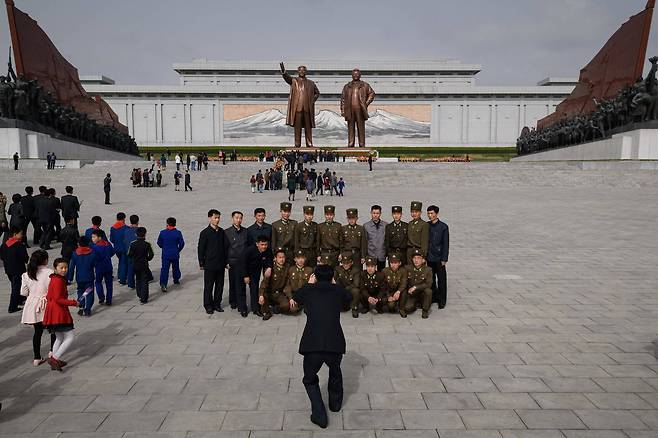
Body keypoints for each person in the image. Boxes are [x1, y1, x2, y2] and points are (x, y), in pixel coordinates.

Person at [291, 265, 352, 428]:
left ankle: (319, 415)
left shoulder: (309, 290)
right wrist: (334, 284)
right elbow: (348, 297)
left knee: (309, 379)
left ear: (315, 277)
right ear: (332, 277)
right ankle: (335, 404)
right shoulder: (337, 290)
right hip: (334, 342)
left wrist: (309, 284)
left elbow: (296, 297)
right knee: (335, 371)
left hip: (313, 344)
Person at [20, 250, 56, 366]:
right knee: (52, 329)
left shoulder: (26, 274)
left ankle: (36, 357)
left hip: (33, 304)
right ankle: (52, 351)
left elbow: (23, 292)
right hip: (47, 303)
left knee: (37, 332)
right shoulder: (50, 272)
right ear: (45, 260)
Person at [42, 258, 78, 371]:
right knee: (70, 337)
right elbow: (58, 299)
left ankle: (53, 358)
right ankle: (55, 358)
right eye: (61, 268)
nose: (64, 270)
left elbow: (50, 296)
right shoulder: (58, 281)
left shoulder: (54, 279)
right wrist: (73, 302)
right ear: (55, 268)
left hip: (53, 312)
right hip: (59, 313)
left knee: (59, 337)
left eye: (66, 267)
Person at [198, 209, 230, 314]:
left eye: (218, 217)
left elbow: (225, 247)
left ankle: (217, 304)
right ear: (209, 218)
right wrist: (201, 262)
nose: (217, 220)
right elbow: (201, 248)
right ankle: (208, 305)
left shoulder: (222, 232)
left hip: (220, 264)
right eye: (215, 218)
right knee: (209, 286)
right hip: (210, 264)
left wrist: (226, 261)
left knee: (219, 286)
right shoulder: (205, 233)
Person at [225, 211, 251, 317]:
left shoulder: (246, 231)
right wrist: (226, 262)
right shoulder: (227, 232)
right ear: (232, 218)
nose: (238, 220)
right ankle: (233, 301)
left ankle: (242, 306)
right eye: (236, 218)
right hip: (233, 262)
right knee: (233, 283)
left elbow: (249, 246)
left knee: (241, 285)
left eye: (240, 218)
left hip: (243, 262)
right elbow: (225, 248)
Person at [258, 248, 295, 320]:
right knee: (263, 294)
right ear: (275, 258)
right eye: (279, 257)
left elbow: (287, 284)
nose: (282, 259)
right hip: (269, 292)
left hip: (279, 293)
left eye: (283, 257)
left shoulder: (287, 267)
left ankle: (276, 308)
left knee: (286, 306)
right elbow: (264, 283)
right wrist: (261, 295)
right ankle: (266, 312)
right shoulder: (270, 268)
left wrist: (290, 298)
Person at [243, 235, 273, 317]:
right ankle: (244, 308)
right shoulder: (249, 251)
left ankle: (256, 308)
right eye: (262, 245)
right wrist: (246, 276)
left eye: (266, 244)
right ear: (257, 244)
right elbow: (244, 263)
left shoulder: (268, 250)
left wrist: (269, 267)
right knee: (243, 289)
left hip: (256, 270)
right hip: (244, 270)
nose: (264, 247)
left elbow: (270, 259)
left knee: (255, 289)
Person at [426, 205, 449, 309]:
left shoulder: (443, 227)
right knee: (431, 279)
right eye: (428, 213)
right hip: (429, 257)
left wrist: (444, 258)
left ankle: (442, 300)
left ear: (436, 214)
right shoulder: (427, 225)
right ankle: (433, 297)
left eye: (432, 213)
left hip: (439, 258)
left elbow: (446, 244)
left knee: (441, 280)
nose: (430, 215)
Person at [1, 227, 29, 313]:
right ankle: (12, 307)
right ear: (15, 234)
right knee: (16, 288)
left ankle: (20, 299)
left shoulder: (4, 245)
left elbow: (2, 257)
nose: (22, 235)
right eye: (20, 233)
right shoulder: (19, 245)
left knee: (17, 286)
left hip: (8, 269)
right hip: (18, 270)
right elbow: (25, 258)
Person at [67, 236, 96, 316]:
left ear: (79, 244)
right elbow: (96, 264)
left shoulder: (75, 254)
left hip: (79, 278)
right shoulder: (92, 253)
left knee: (80, 291)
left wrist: (69, 278)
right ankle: (88, 308)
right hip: (89, 277)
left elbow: (71, 267)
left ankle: (81, 304)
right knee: (89, 292)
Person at [401, 249, 433, 319]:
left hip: (422, 293)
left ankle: (425, 310)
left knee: (428, 291)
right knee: (407, 309)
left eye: (419, 258)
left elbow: (428, 284)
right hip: (412, 294)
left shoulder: (428, 270)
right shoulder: (407, 268)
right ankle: (415, 304)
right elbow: (404, 281)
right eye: (414, 258)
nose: (416, 260)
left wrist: (416, 287)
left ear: (423, 260)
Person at [157, 217, 185, 293]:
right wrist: (178, 249)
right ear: (175, 224)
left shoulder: (162, 232)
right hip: (175, 253)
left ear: (167, 224)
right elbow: (182, 243)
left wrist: (164, 247)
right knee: (175, 267)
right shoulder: (178, 233)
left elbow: (159, 242)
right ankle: (176, 279)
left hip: (166, 254)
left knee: (165, 269)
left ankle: (163, 284)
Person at [127, 227, 154, 304]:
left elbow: (129, 254)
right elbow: (151, 254)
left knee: (138, 279)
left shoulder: (132, 244)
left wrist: (134, 258)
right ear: (145, 234)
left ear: (136, 234)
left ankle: (139, 294)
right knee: (145, 281)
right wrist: (148, 259)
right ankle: (144, 298)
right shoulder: (147, 244)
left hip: (136, 264)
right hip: (144, 264)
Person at [91, 230, 115, 306]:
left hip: (99, 268)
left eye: (94, 237)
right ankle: (109, 299)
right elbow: (112, 252)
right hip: (108, 266)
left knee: (98, 282)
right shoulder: (108, 244)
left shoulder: (94, 247)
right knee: (109, 284)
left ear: (99, 238)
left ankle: (101, 297)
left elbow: (93, 258)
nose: (92, 239)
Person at [334, 252, 361, 317]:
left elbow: (356, 284)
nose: (345, 265)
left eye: (347, 263)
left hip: (350, 289)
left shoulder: (356, 270)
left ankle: (354, 308)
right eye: (343, 263)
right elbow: (334, 280)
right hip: (340, 289)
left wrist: (345, 289)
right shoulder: (337, 269)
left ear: (351, 262)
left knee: (356, 291)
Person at [364, 205, 388, 271]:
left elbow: (387, 241)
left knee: (382, 274)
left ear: (380, 214)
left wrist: (386, 253)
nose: (375, 215)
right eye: (374, 213)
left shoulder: (385, 225)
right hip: (371, 255)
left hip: (381, 254)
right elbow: (365, 241)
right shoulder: (366, 226)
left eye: (377, 213)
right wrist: (365, 255)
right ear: (371, 213)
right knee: (370, 273)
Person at [110, 212, 129, 285]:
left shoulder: (113, 228)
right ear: (124, 219)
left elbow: (112, 239)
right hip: (124, 248)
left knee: (120, 261)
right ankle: (122, 278)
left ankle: (120, 276)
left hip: (116, 248)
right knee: (124, 263)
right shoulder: (126, 228)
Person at [123, 215, 140, 289]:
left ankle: (130, 283)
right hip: (138, 252)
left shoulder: (126, 230)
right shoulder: (139, 230)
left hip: (129, 251)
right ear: (138, 221)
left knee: (130, 267)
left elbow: (125, 241)